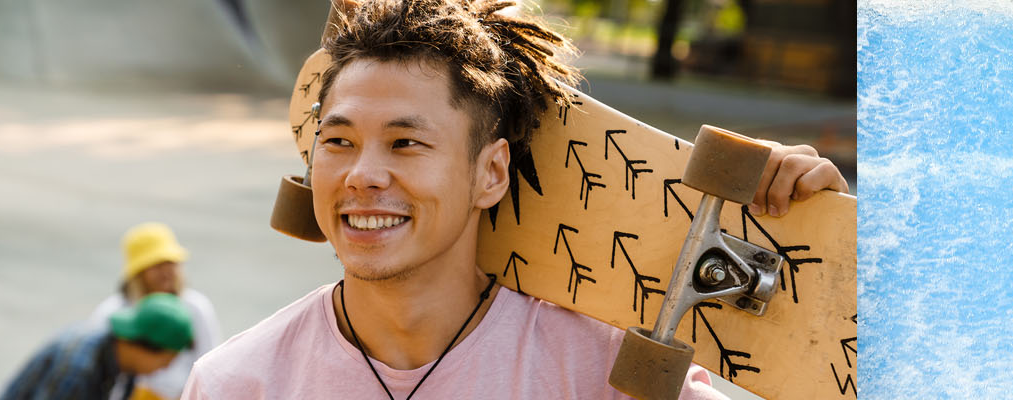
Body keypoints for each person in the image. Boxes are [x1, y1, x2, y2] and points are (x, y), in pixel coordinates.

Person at [183, 0, 847, 398]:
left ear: (490, 173)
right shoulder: (239, 383)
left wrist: (821, 242)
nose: (362, 174)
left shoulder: (602, 373)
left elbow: (821, 349)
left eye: (406, 144)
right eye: (338, 142)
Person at [82, 222, 223, 400]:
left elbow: (210, 367)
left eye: (171, 263)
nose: (166, 272)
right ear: (138, 272)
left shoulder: (196, 308)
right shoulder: (111, 313)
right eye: (156, 265)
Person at [0, 293, 195, 400]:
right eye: (167, 360)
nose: (166, 368)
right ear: (144, 347)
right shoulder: (78, 368)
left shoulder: (120, 360)